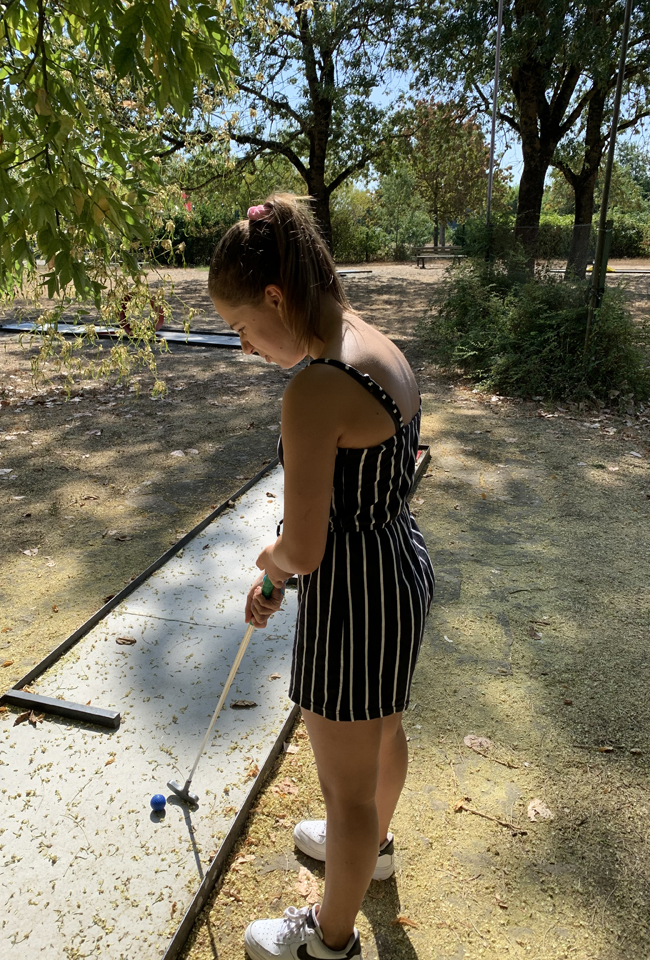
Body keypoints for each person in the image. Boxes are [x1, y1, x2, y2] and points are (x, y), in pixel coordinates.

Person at [208, 195, 434, 960]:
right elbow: (348, 499)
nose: (244, 346)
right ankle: (373, 850)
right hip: (399, 569)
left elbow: (303, 550)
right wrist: (285, 567)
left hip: (353, 600)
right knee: (384, 729)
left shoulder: (313, 389)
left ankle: (328, 941)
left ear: (275, 298)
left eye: (241, 328)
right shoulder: (376, 342)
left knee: (345, 794)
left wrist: (270, 564)